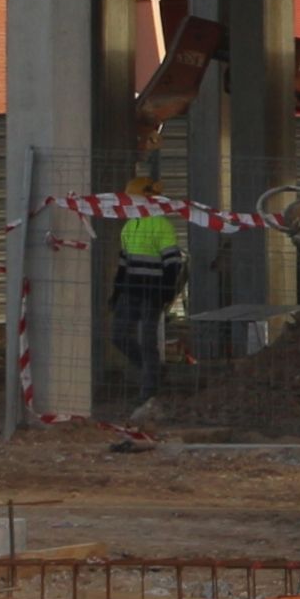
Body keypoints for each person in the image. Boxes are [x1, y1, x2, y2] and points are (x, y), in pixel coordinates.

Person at [110, 171, 186, 451]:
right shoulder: (130, 226)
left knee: (147, 340)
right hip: (131, 291)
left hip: (151, 293)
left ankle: (149, 390)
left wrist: (166, 292)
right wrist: (117, 290)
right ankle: (150, 372)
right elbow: (123, 263)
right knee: (119, 336)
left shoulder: (161, 226)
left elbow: (172, 263)